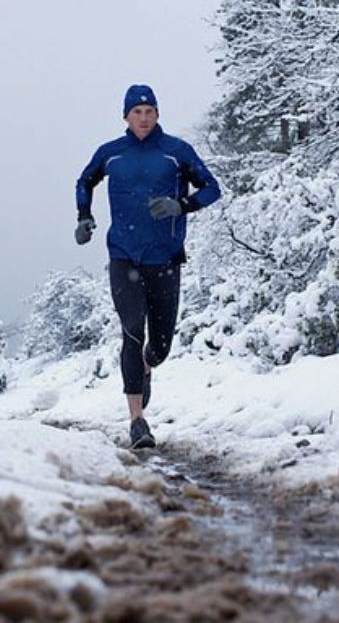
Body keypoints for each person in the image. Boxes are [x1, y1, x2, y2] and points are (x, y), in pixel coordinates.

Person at [74, 84, 221, 449]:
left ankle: (147, 367)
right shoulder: (111, 154)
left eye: (149, 111)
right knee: (132, 330)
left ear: (157, 114)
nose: (143, 117)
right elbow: (85, 181)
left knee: (160, 345)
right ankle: (137, 420)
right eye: (136, 112)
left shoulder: (176, 152)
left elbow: (212, 188)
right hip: (123, 257)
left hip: (166, 260)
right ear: (125, 116)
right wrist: (84, 217)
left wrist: (181, 206)